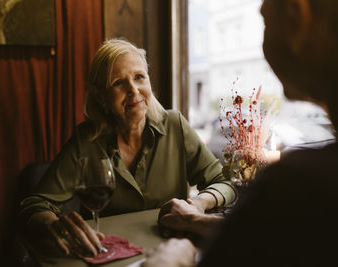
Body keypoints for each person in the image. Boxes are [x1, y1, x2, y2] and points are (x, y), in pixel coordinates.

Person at [143, 0, 338, 266]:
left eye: (265, 20)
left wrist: (169, 263)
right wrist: (194, 220)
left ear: (297, 15)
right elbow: (274, 235)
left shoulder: (298, 184)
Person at [18, 39, 236, 257]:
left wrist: (198, 204)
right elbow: (35, 205)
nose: (133, 90)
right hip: (111, 257)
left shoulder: (175, 125)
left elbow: (223, 181)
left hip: (172, 253)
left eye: (139, 77)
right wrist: (54, 225)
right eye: (118, 83)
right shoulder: (86, 141)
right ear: (101, 97)